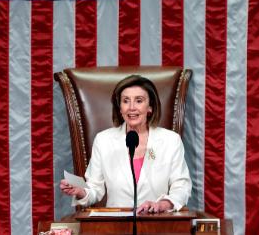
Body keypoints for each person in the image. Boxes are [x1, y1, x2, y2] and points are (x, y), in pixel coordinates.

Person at [60, 75, 192, 214]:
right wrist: (80, 191)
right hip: (116, 226)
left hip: (156, 223)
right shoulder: (104, 140)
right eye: (125, 101)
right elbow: (94, 189)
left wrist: (164, 204)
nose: (131, 107)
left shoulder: (170, 140)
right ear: (120, 108)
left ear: (150, 107)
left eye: (139, 101)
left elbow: (181, 186)